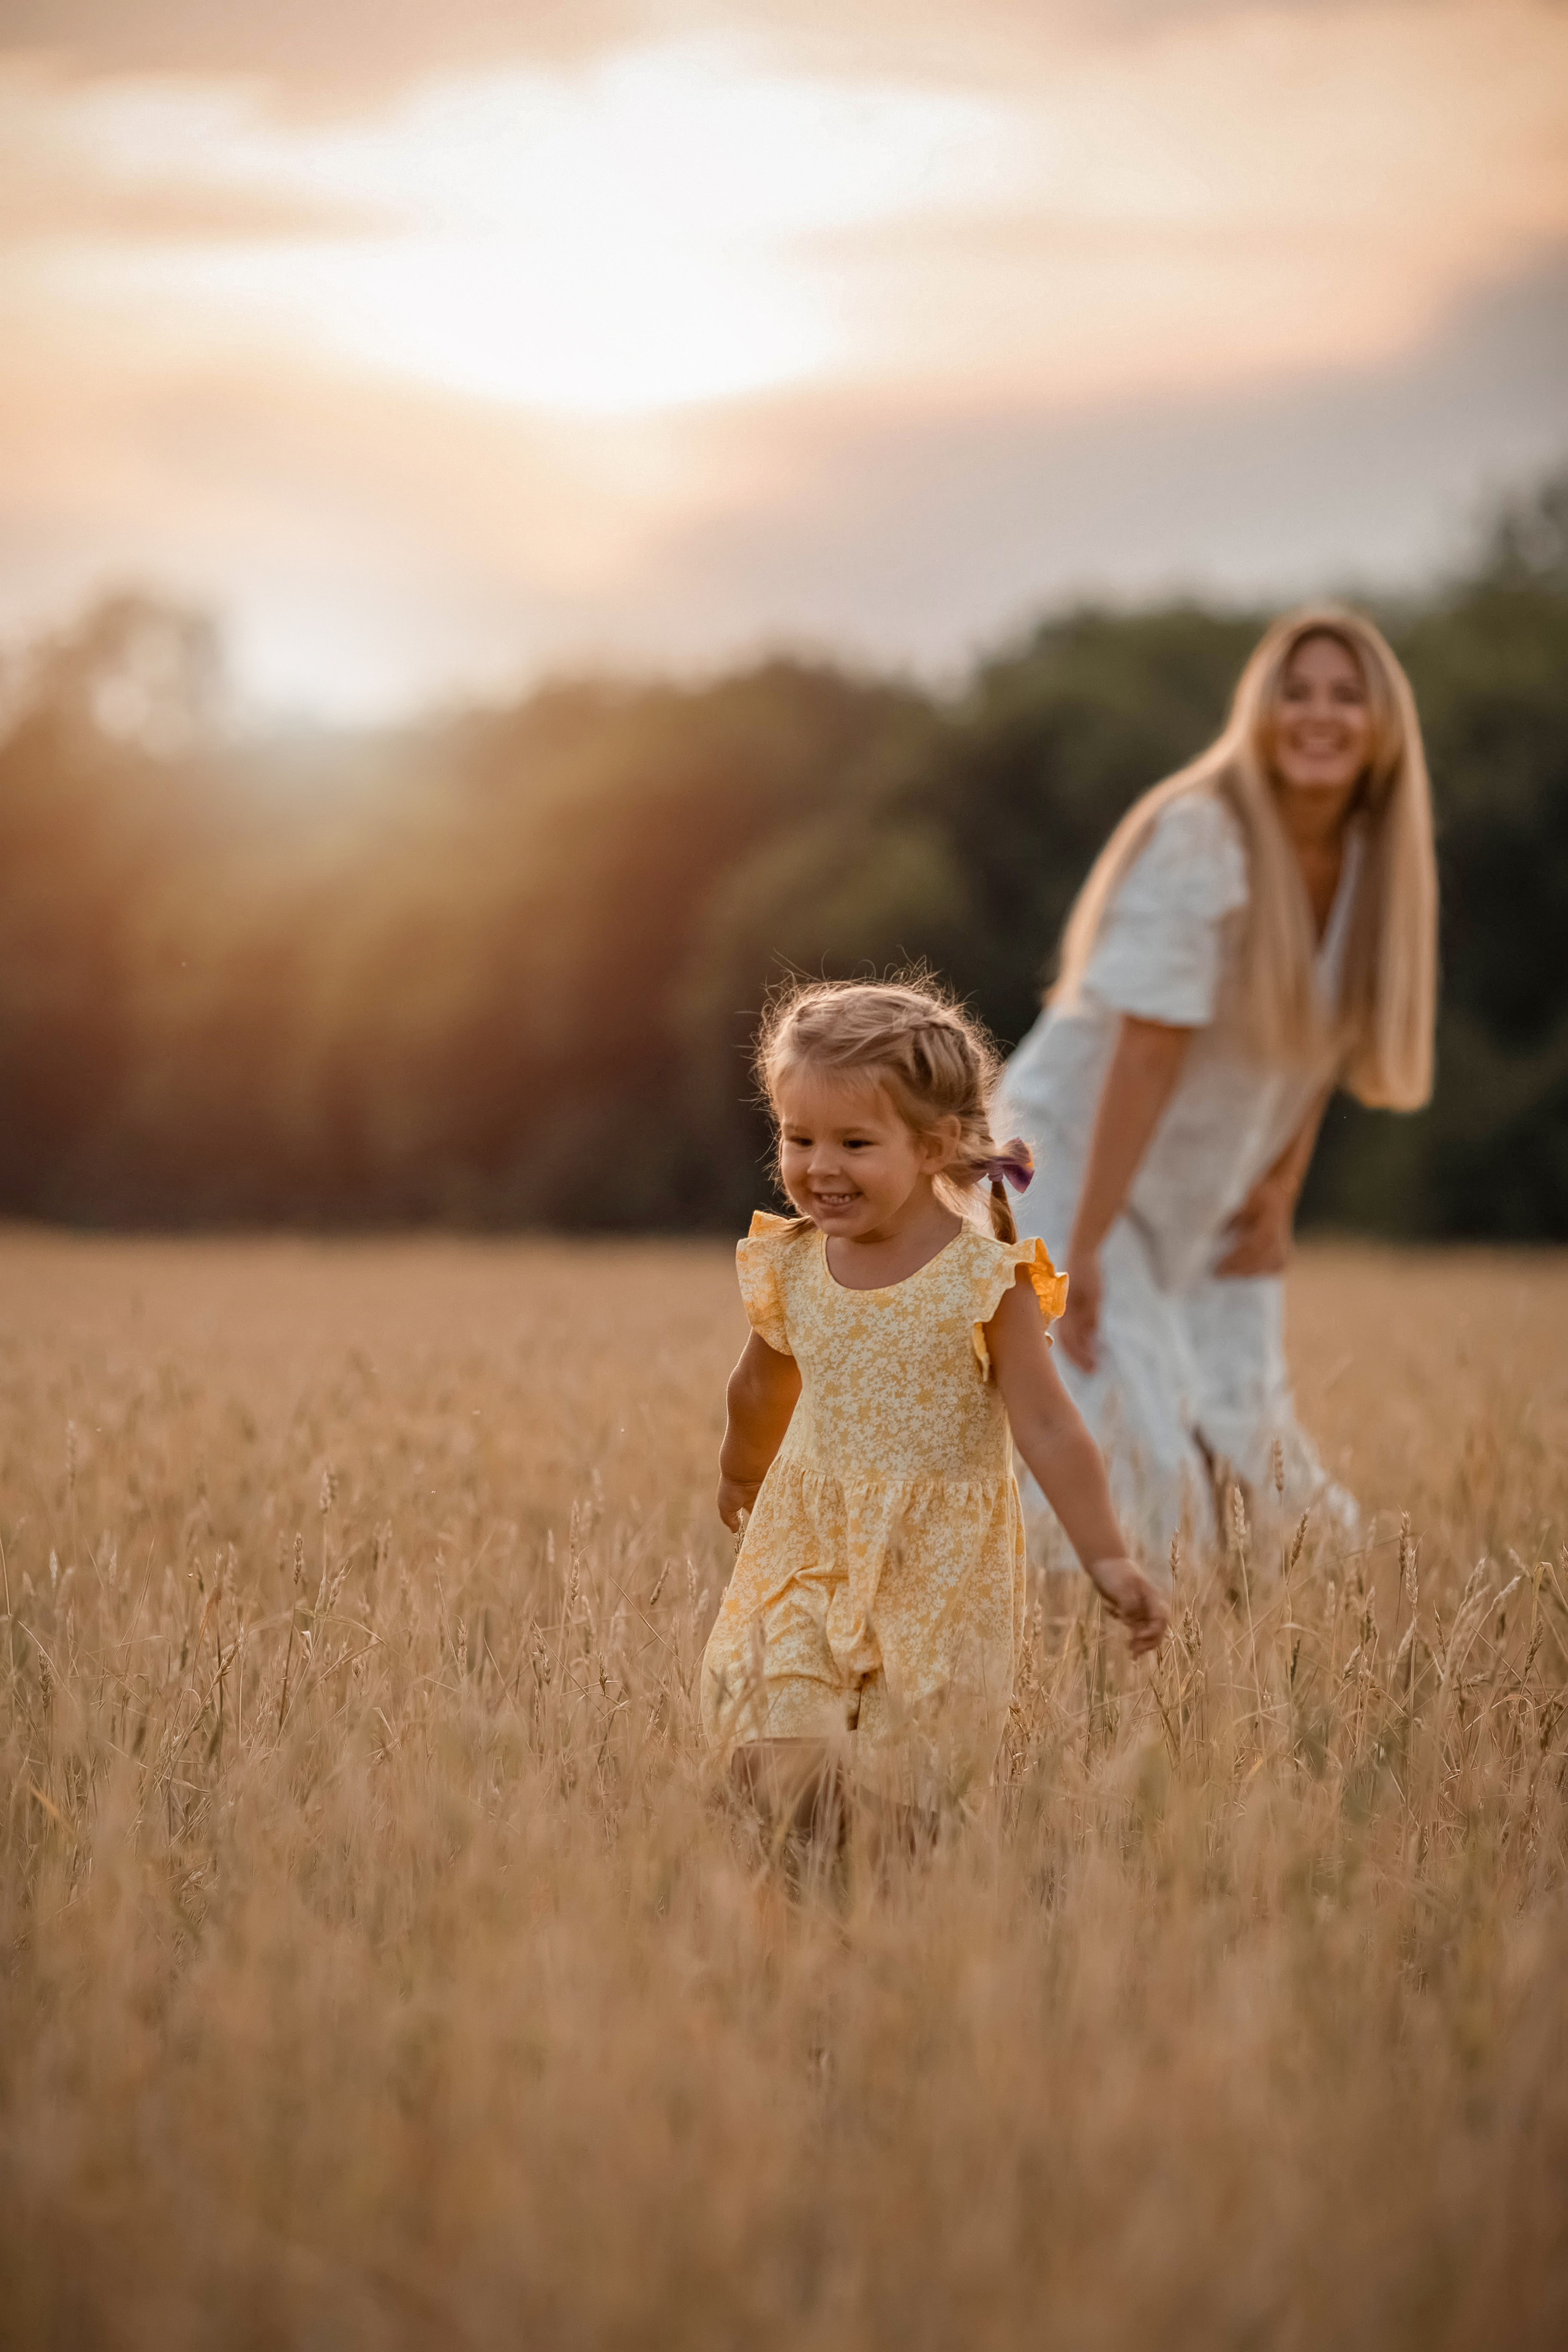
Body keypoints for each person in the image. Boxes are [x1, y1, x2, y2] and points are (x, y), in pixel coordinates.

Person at [999, 605, 1438, 1557]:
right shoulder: (1204, 835)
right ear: (1260, 712)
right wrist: (1083, 1247)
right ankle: (1060, 1669)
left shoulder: (1375, 867)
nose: (1319, 715)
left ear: (1383, 725)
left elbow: (1314, 1053)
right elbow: (1146, 1053)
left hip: (1206, 1188)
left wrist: (1278, 1191)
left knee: (1260, 1453)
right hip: (1069, 1170)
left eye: (1346, 695)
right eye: (1297, 691)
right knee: (1132, 1457)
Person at [701, 978, 1168, 1825]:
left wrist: (1106, 1556)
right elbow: (760, 1384)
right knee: (773, 1733)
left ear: (934, 1146)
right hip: (807, 1544)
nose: (819, 1167)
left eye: (854, 1142)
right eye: (798, 1137)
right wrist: (740, 1474)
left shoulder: (987, 1280)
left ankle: (891, 1917)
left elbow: (1051, 1427)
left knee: (899, 1790)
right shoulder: (794, 1263)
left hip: (940, 1567)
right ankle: (776, 1900)